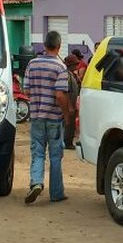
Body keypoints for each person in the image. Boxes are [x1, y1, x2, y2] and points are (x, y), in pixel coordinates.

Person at [23, 31, 70, 204]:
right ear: (59, 46)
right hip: (54, 118)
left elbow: (26, 90)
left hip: (36, 116)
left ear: (44, 45)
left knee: (38, 152)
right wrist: (67, 114)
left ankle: (36, 182)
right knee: (56, 156)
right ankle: (56, 193)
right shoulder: (60, 67)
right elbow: (60, 95)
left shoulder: (32, 64)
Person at [62, 54, 81, 149]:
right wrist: (69, 106)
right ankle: (67, 142)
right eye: (75, 64)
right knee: (68, 124)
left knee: (71, 124)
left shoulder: (72, 75)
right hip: (69, 105)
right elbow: (67, 92)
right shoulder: (67, 76)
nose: (77, 66)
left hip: (73, 103)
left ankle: (68, 141)